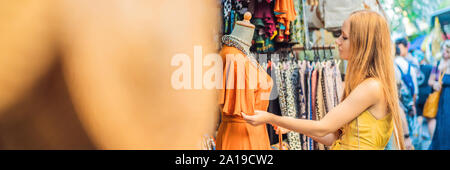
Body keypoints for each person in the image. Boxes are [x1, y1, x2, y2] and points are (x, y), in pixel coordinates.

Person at [242, 10, 406, 150]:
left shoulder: (372, 87)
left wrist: (271, 118)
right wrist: (291, 125)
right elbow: (333, 138)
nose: (338, 41)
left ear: (363, 43)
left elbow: (323, 128)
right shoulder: (367, 84)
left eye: (344, 37)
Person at [429, 40, 450, 150]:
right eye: (443, 50)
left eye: (447, 50)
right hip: (443, 98)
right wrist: (435, 84)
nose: (444, 53)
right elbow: (430, 81)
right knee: (443, 123)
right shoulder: (438, 64)